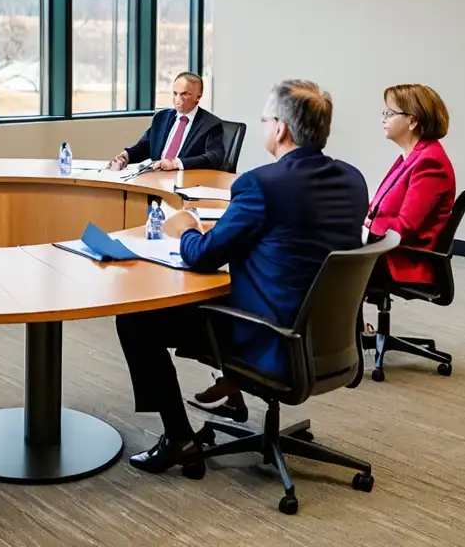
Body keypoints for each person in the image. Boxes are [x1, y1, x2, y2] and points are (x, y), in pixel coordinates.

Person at [114, 80, 368, 479]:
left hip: (272, 335)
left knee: (136, 320)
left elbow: (202, 257)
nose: (265, 126)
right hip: (328, 337)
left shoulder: (261, 184)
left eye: (266, 120)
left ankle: (179, 439)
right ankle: (226, 393)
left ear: (281, 129)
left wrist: (185, 229)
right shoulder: (353, 180)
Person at [367, 84, 455, 284]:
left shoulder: (430, 162)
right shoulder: (411, 157)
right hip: (386, 250)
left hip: (402, 261)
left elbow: (404, 227)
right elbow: (377, 208)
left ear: (412, 121)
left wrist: (366, 225)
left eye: (390, 113)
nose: (383, 119)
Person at [109, 72, 225, 172]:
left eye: (185, 94)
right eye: (175, 93)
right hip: (157, 177)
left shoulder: (211, 124)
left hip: (186, 181)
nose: (178, 100)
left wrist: (176, 163)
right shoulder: (161, 117)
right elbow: (144, 147)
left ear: (198, 96)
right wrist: (125, 156)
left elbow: (214, 157)